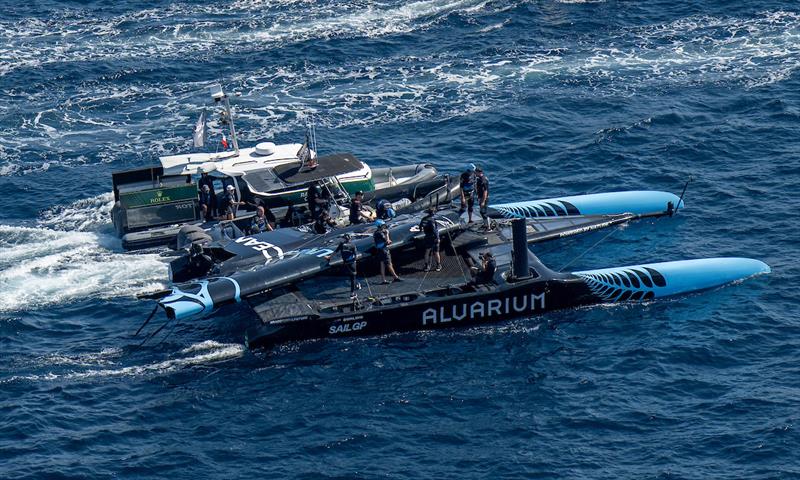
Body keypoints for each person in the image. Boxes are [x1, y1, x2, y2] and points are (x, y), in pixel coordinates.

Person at [325, 233, 360, 298]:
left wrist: (330, 257)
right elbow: (355, 255)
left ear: (344, 238)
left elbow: (336, 251)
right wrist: (355, 261)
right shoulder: (353, 245)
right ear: (350, 238)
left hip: (346, 262)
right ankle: (353, 292)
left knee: (352, 277)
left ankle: (355, 287)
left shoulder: (341, 244)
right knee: (353, 277)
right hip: (352, 262)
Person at [373, 219, 401, 284]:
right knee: (389, 264)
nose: (384, 226)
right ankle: (395, 277)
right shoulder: (380, 233)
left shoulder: (376, 233)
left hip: (380, 250)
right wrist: (387, 234)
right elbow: (388, 241)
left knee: (382, 264)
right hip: (384, 250)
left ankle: (383, 280)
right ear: (380, 226)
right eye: (383, 225)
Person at [419, 207, 441, 272]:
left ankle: (426, 266)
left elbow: (420, 227)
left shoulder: (423, 219)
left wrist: (423, 230)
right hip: (433, 237)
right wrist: (438, 238)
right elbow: (434, 230)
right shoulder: (432, 220)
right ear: (433, 213)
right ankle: (438, 265)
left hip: (427, 237)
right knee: (436, 252)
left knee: (427, 251)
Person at [475, 166, 491, 231]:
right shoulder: (480, 178)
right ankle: (485, 225)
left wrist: (483, 201)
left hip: (484, 198)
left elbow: (485, 191)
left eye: (476, 172)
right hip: (481, 197)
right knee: (482, 212)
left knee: (484, 212)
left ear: (479, 172)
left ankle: (489, 227)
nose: (475, 173)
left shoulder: (483, 180)